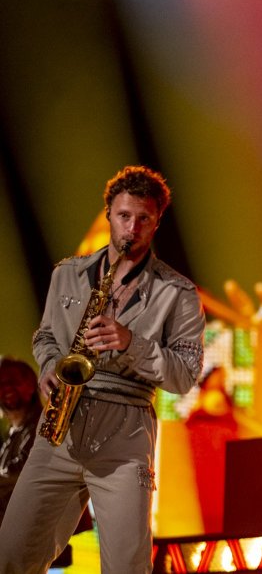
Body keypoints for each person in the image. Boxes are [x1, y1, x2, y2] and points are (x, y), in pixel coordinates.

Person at [0, 166, 206, 574]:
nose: (132, 228)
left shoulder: (178, 293)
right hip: (58, 429)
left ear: (156, 221)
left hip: (125, 438)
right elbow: (45, 337)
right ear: (109, 213)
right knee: (11, 555)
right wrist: (47, 366)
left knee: (127, 566)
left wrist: (133, 343)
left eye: (143, 219)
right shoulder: (67, 274)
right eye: (124, 216)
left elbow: (185, 375)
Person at [0, 358, 43, 517]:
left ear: (32, 384)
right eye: (1, 383)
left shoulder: (43, 426)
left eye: (13, 380)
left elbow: (23, 471)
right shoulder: (13, 431)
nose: (6, 388)